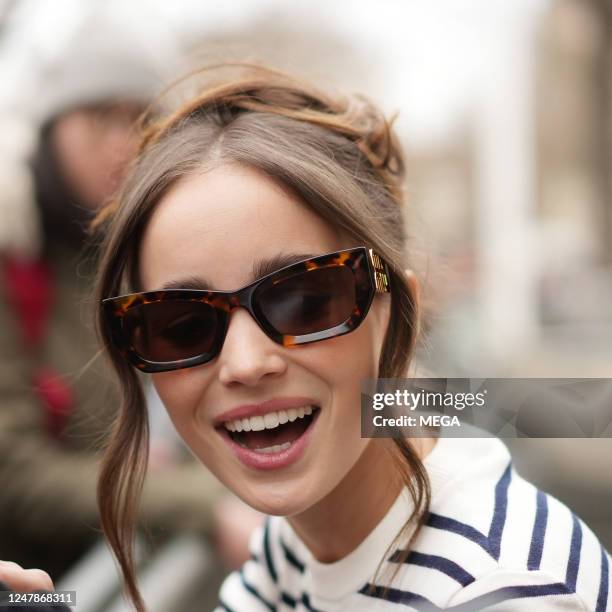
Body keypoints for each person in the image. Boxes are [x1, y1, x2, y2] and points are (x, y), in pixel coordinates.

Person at [2, 63, 611, 611]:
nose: (244, 363)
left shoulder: (504, 591)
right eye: (179, 324)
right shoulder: (295, 539)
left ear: (398, 311)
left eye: (304, 301)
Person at [0, 11, 259, 588]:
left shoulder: (151, 251)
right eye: (100, 117)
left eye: (139, 119)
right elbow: (13, 479)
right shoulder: (14, 261)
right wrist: (200, 502)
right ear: (50, 128)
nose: (122, 142)